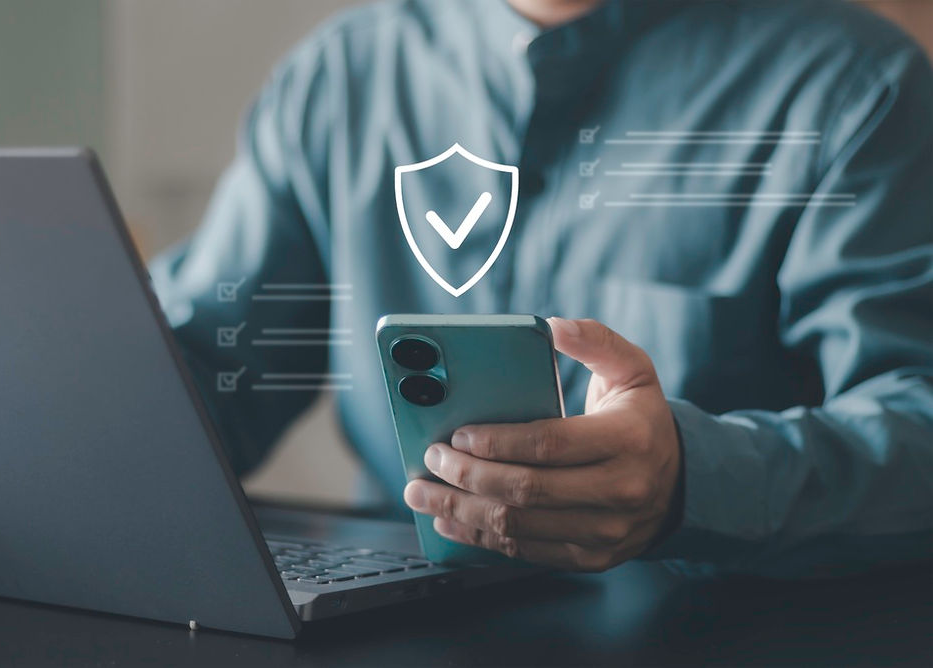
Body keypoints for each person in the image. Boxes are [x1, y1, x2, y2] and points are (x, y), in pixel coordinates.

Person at [149, 0, 933, 577]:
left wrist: (695, 479)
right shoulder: (339, 75)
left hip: (728, 634)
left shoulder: (855, 87)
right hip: (390, 628)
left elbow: (918, 411)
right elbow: (209, 365)